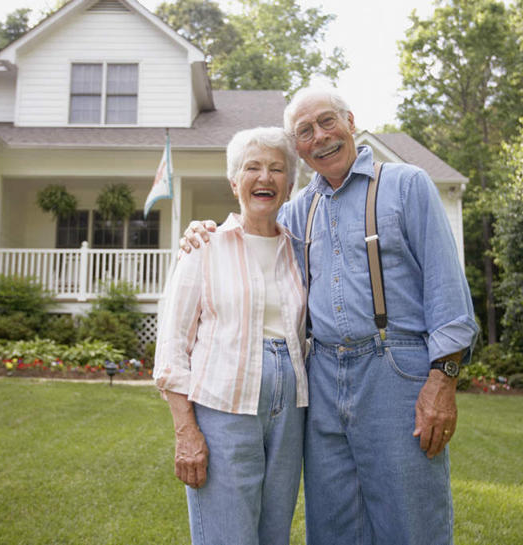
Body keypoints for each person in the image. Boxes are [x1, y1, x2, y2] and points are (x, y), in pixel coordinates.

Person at [181, 87, 479, 545]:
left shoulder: (406, 184)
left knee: (411, 518)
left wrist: (443, 379)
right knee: (334, 525)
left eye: (326, 122)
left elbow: (447, 292)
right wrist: (204, 231)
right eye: (304, 131)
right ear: (298, 146)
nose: (319, 137)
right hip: (320, 377)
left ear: (351, 121)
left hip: (395, 369)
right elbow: (255, 233)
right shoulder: (300, 210)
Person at [154, 126, 308, 545]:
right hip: (224, 404)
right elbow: (171, 347)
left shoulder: (297, 251)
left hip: (290, 409)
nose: (265, 177)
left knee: (273, 532)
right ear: (234, 180)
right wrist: (186, 431)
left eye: (277, 169)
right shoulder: (203, 245)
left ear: (289, 184)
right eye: (252, 167)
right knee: (228, 535)